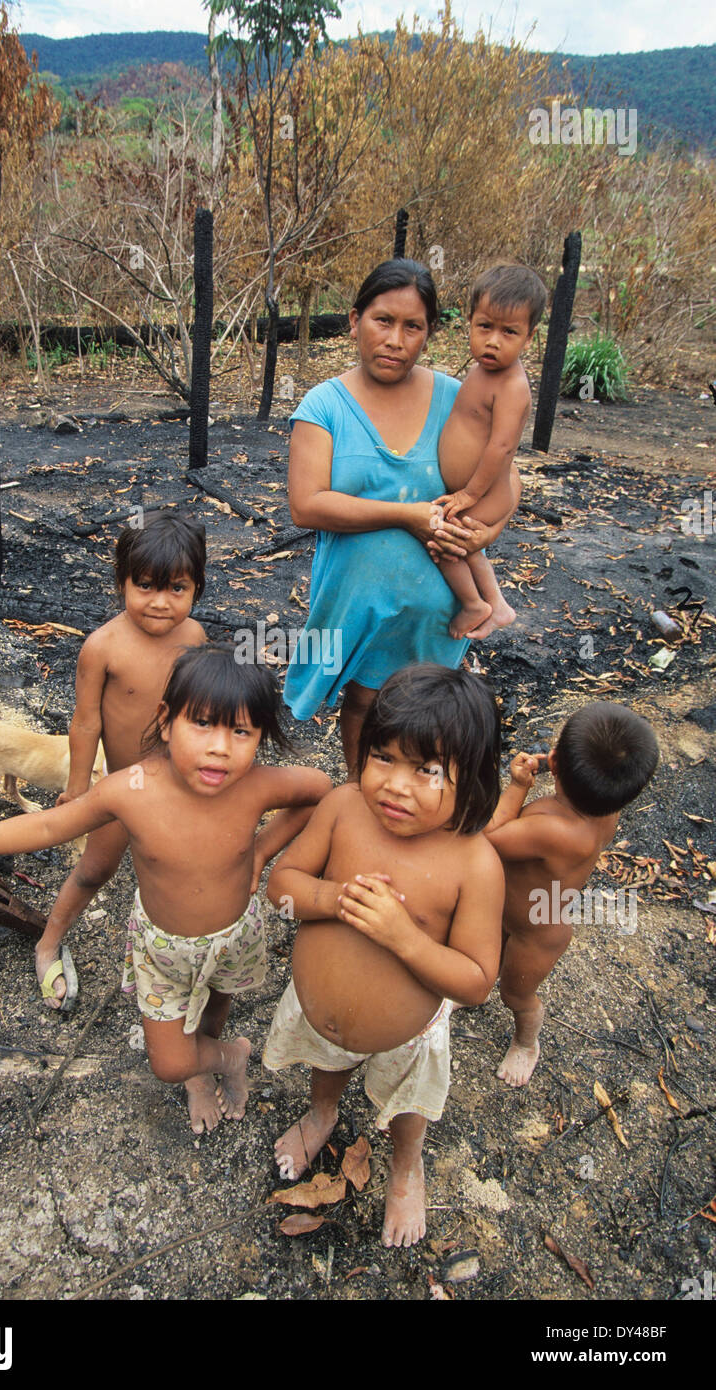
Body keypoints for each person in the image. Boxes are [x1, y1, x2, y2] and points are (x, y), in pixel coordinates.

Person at [0, 646, 332, 1134]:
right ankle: (227, 1058)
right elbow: (47, 828)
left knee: (215, 1002)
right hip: (163, 951)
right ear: (167, 723)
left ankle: (202, 1063)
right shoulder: (131, 789)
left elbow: (319, 790)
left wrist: (260, 852)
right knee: (168, 1062)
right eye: (203, 724)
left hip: (234, 937)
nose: (220, 747)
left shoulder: (256, 785)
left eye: (241, 731)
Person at [263, 664, 503, 1248]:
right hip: (320, 1010)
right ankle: (323, 1116)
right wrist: (331, 896)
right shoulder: (344, 808)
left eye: (427, 770)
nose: (396, 785)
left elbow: (475, 982)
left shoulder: (474, 864)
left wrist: (407, 938)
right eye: (384, 758)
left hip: (408, 1036)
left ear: (471, 781)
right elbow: (282, 886)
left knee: (407, 1106)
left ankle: (405, 1165)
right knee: (328, 1062)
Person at [284, 258, 517, 776]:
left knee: (426, 712)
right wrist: (408, 515)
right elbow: (307, 504)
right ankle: (360, 797)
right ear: (353, 321)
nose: (395, 338)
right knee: (366, 702)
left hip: (439, 611)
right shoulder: (325, 406)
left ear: (429, 335)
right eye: (382, 320)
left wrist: (486, 531)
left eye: (412, 326)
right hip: (362, 605)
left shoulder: (458, 399)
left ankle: (418, 810)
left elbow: (506, 477)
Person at [35, 513, 208, 1011]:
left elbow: (200, 713)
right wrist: (77, 789)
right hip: (121, 786)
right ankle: (48, 942)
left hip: (180, 783)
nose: (160, 601)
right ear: (121, 584)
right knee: (94, 868)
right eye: (146, 586)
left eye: (177, 587)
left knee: (179, 868)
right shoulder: (102, 647)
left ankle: (181, 956)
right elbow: (85, 723)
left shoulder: (194, 638)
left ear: (196, 587)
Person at [485, 702, 659, 1087]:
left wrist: (517, 786)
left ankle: (526, 1039)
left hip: (537, 930)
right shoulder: (605, 808)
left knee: (516, 993)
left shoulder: (555, 830)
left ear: (556, 761)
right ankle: (477, 982)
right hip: (521, 909)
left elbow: (489, 838)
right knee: (487, 952)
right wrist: (552, 764)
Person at [435, 263, 547, 640]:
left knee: (443, 541)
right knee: (467, 548)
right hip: (476, 491)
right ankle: (497, 605)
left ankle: (474, 604)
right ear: (469, 322)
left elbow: (502, 447)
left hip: (485, 493)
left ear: (529, 338)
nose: (493, 341)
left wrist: (469, 493)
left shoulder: (513, 386)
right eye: (485, 327)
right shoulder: (481, 371)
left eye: (509, 332)